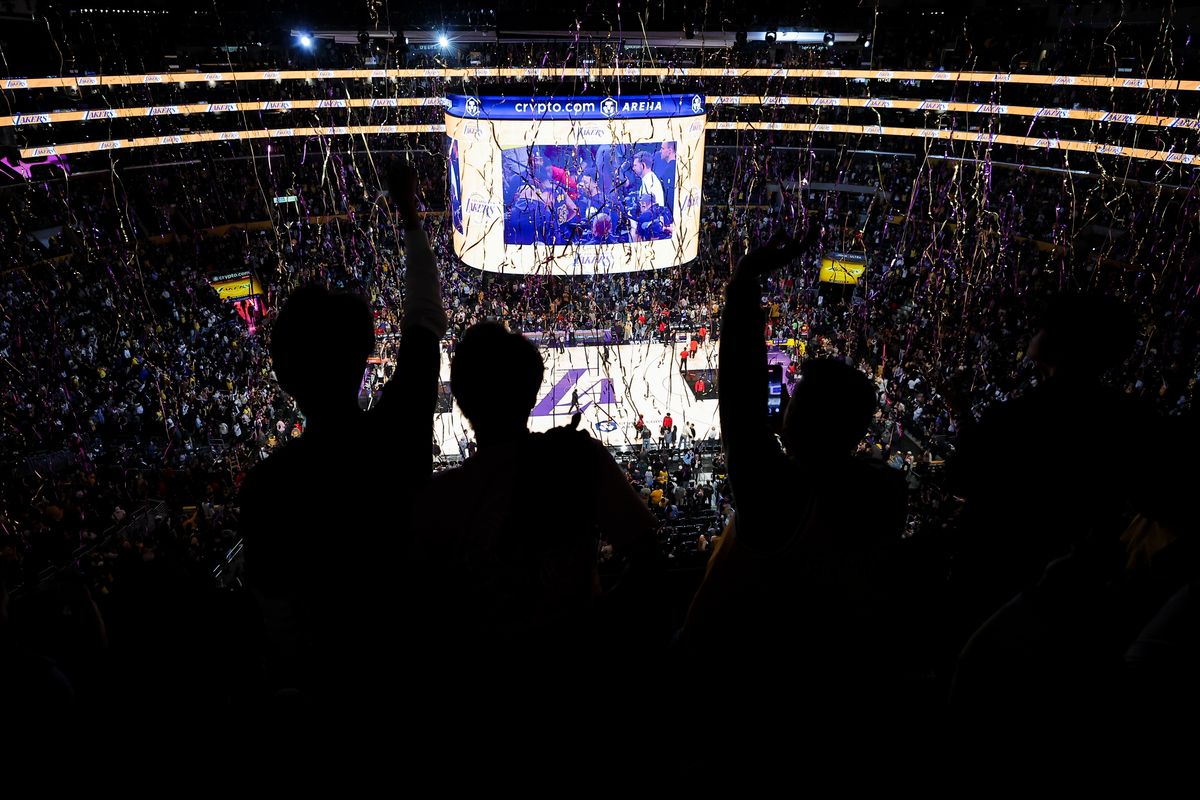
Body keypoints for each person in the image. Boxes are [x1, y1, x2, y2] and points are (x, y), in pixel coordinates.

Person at [238, 160, 446, 708]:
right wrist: (409, 217)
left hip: (327, 695)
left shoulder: (266, 487)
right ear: (362, 357)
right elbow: (425, 318)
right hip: (413, 677)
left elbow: (276, 615)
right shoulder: (396, 436)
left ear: (284, 376)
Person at [679, 228, 910, 704]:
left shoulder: (780, 499)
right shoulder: (882, 492)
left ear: (806, 417)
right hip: (824, 679)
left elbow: (741, 406)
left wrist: (744, 281)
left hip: (739, 678)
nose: (785, 402)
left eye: (796, 397)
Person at [410, 322, 664, 668]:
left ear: (461, 398)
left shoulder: (437, 499)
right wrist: (591, 628)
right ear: (532, 393)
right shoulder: (577, 458)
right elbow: (650, 562)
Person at [655, 141, 677, 212]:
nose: (660, 151)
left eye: (662, 148)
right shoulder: (671, 168)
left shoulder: (671, 169)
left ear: (670, 150)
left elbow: (670, 197)